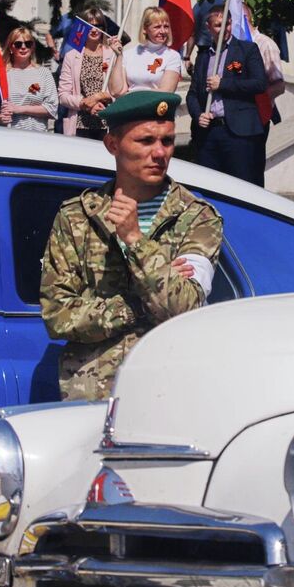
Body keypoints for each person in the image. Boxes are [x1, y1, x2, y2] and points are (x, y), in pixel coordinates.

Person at [39, 90, 223, 401]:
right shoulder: (76, 217)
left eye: (166, 141)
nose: (160, 153)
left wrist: (135, 240)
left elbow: (185, 309)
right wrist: (137, 306)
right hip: (91, 396)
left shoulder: (196, 218)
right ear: (113, 145)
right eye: (146, 141)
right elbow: (57, 315)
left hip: (167, 396)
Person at [185, 7, 274, 186]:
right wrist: (198, 114)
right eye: (218, 25)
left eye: (227, 24)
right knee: (209, 187)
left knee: (242, 186)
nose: (224, 28)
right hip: (209, 132)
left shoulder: (247, 50)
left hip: (239, 133)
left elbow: (259, 83)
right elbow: (192, 94)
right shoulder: (203, 56)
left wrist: (224, 84)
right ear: (209, 27)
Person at [57, 21, 122, 138]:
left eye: (98, 26)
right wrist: (85, 104)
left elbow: (120, 91)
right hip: (79, 125)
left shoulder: (113, 54)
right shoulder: (71, 56)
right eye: (89, 26)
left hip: (107, 123)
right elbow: (63, 95)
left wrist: (102, 97)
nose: (94, 30)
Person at [110, 7, 185, 95]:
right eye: (157, 27)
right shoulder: (128, 54)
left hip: (156, 106)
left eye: (166, 26)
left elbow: (167, 90)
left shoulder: (172, 56)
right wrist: (119, 56)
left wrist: (132, 93)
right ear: (145, 29)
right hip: (131, 107)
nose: (163, 31)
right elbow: (116, 91)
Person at [0, 28, 57, 131]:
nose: (23, 47)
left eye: (28, 44)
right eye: (18, 44)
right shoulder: (2, 75)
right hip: (9, 136)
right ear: (11, 48)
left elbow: (52, 108)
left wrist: (19, 109)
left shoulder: (44, 73)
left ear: (33, 47)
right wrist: (1, 118)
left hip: (38, 136)